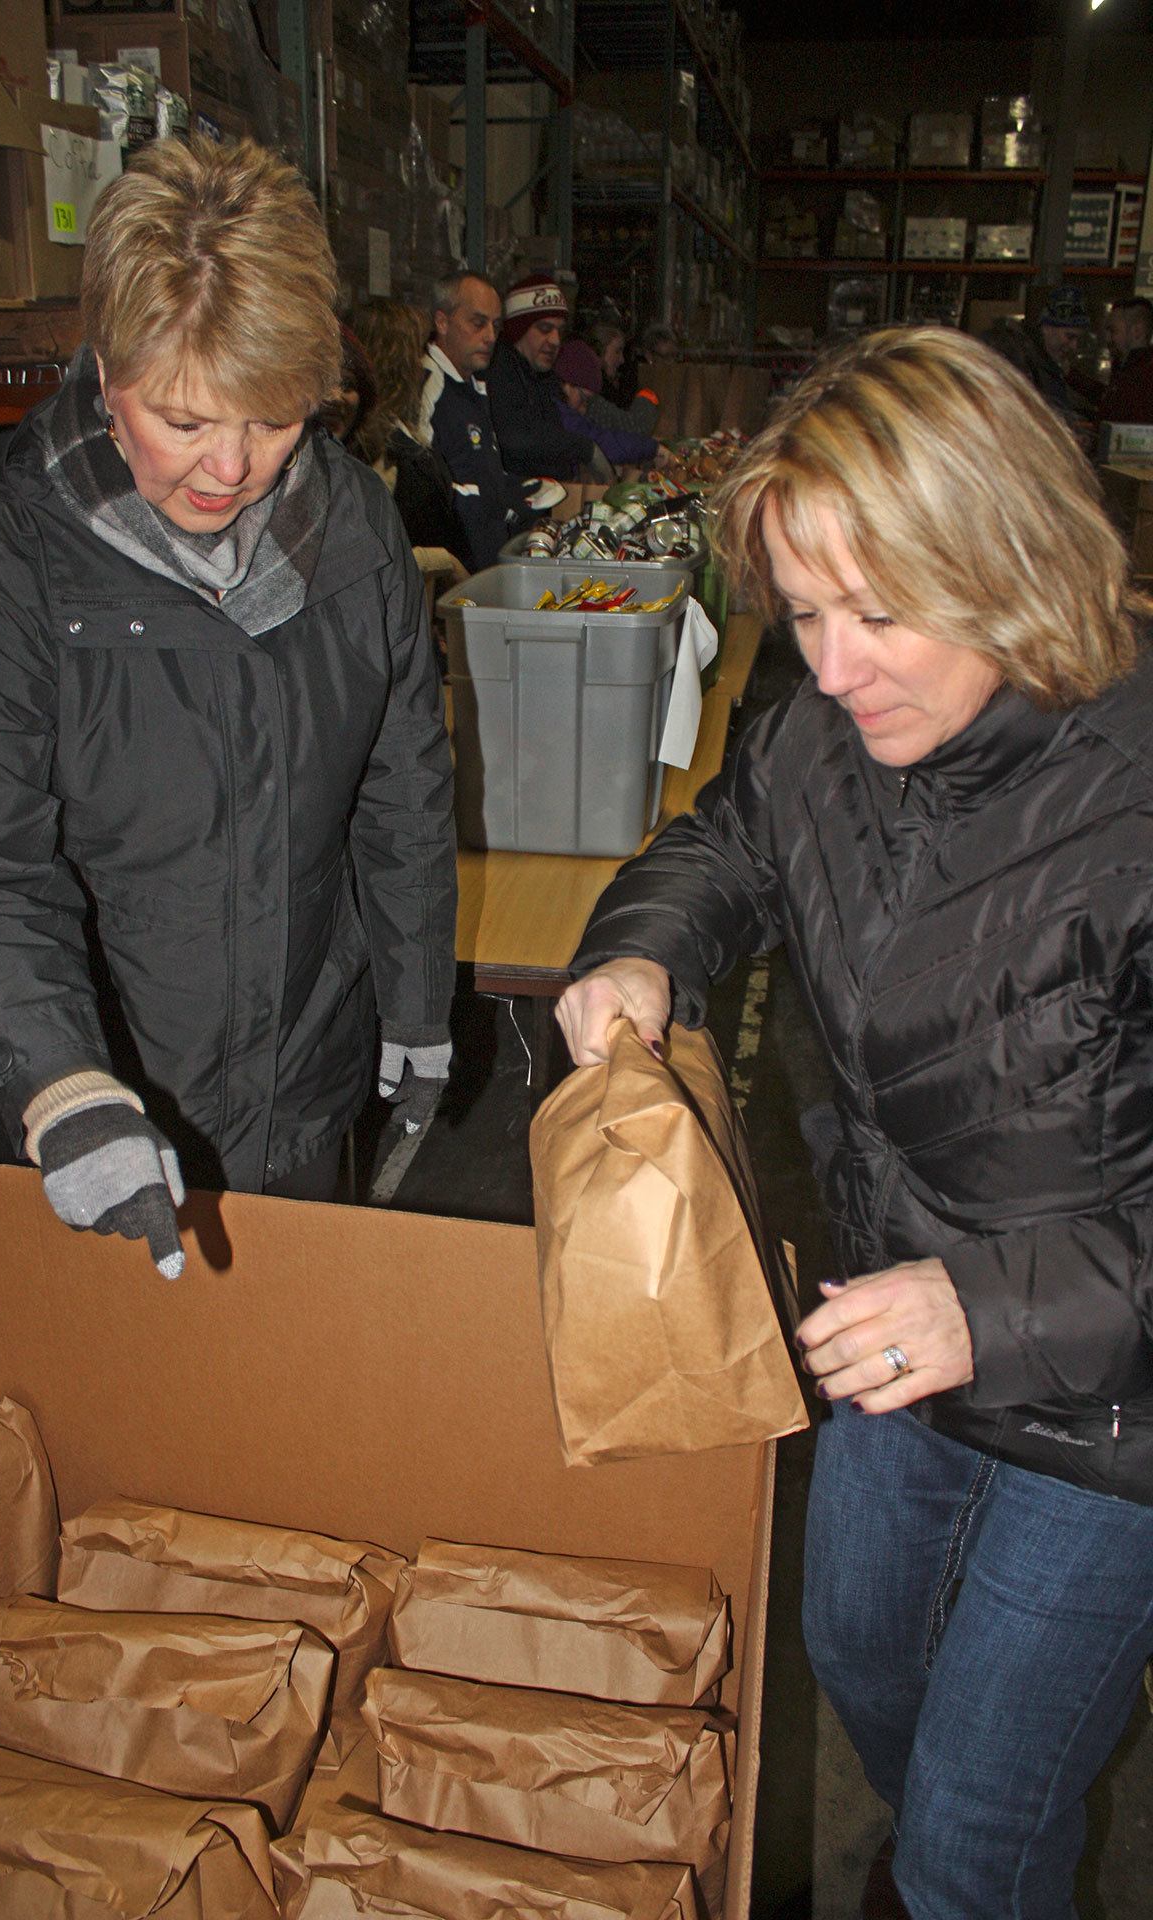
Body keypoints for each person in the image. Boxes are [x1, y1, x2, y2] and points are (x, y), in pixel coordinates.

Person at [554, 327, 1153, 1920]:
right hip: (885, 1312)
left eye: (880, 612)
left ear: (1010, 562)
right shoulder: (834, 729)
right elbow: (737, 840)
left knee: (976, 1826)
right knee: (861, 1660)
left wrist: (991, 1310)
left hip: (1112, 1408)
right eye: (806, 613)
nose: (831, 665)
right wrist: (642, 942)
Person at [0, 137, 457, 1276]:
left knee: (290, 1397)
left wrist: (413, 1003)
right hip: (113, 1097)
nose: (228, 467)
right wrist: (60, 1088)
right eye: (182, 419)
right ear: (105, 373)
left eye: (269, 419)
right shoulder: (19, 561)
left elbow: (398, 793)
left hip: (309, 1074)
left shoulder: (354, 530)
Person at [419, 270, 536, 570]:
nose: (490, 337)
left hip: (490, 566)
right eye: (478, 323)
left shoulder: (475, 388)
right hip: (455, 578)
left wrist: (514, 492)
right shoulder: (427, 387)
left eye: (496, 326)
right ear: (442, 322)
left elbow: (479, 471)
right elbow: (421, 493)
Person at [349, 297, 470, 566]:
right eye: (419, 352)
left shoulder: (356, 440)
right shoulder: (398, 457)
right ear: (400, 363)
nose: (423, 362)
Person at [486, 273, 603, 483]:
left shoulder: (541, 378)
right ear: (518, 329)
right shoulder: (498, 372)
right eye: (545, 329)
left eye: (560, 331)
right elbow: (516, 439)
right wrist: (585, 449)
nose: (555, 341)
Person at [982, 285, 1093, 435]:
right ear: (1047, 328)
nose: (1073, 346)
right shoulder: (1022, 360)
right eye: (1069, 336)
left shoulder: (1043, 364)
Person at [553, 340, 663, 470]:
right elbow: (602, 441)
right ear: (566, 385)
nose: (584, 409)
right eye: (584, 399)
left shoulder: (560, 408)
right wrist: (654, 448)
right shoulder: (559, 415)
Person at [584, 318, 660, 437]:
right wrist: (648, 395)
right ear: (599, 351)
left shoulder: (608, 388)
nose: (621, 360)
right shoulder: (590, 396)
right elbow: (633, 427)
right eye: (617, 352)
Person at [1101, 295, 1153, 426]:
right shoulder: (1124, 368)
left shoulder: (1142, 376)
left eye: (1113, 331)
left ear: (1137, 331)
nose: (1108, 339)